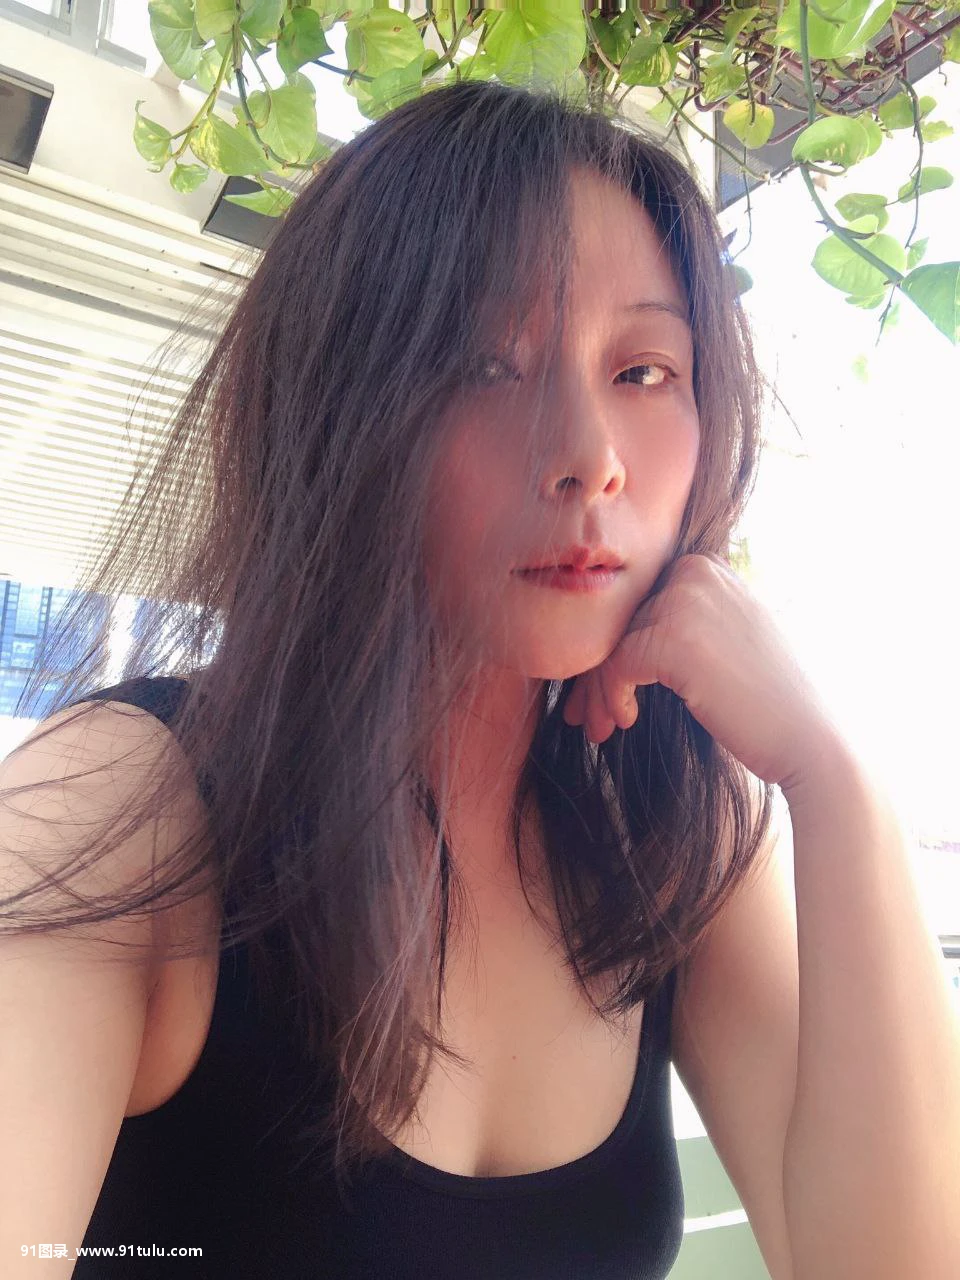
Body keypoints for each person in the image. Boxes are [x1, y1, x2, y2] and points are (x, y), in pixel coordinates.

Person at [1, 79, 794, 1279]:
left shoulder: (677, 828)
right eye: (485, 363)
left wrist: (829, 776)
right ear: (336, 408)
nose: (591, 460)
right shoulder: (121, 805)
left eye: (644, 371)